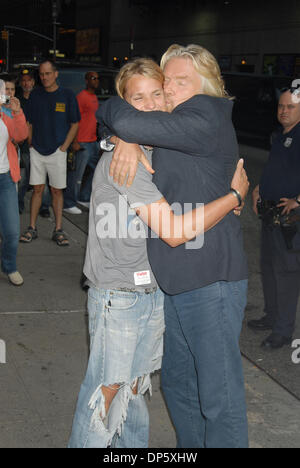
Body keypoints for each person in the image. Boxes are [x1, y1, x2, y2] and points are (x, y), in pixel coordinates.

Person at [69, 56, 249, 449]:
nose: (153, 102)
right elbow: (172, 231)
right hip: (121, 296)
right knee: (106, 397)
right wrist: (233, 196)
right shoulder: (130, 161)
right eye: (140, 97)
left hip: (156, 292)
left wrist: (124, 135)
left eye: (159, 92)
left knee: (135, 397)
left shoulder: (161, 145)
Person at [248, 88, 300, 349]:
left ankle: (282, 331)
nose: (283, 110)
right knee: (268, 268)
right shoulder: (281, 137)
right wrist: (260, 189)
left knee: (287, 274)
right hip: (271, 215)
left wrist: (298, 201)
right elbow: (276, 169)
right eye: (281, 105)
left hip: (292, 220)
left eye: (290, 106)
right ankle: (271, 316)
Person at [19, 60, 80, 246]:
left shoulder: (67, 95)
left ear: (55, 74)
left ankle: (58, 229)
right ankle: (32, 228)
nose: (44, 77)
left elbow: (75, 123)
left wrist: (64, 147)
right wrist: (30, 142)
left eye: (47, 73)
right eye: (42, 74)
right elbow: (29, 121)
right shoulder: (35, 95)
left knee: (56, 191)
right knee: (37, 190)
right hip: (36, 150)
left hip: (57, 152)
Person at [0, 79, 28, 286]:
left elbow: (20, 136)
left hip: (6, 178)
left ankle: (9, 266)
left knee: (12, 232)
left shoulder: (6, 114)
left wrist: (17, 112)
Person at [64, 71, 100, 214]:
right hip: (82, 142)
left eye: (97, 78)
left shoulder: (94, 97)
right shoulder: (81, 97)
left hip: (92, 142)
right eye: (93, 78)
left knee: (97, 170)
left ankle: (83, 197)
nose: (96, 81)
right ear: (86, 81)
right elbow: (74, 120)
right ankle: (68, 203)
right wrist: (75, 141)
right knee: (76, 175)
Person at [16, 69, 51, 216]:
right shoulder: (16, 100)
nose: (26, 83)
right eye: (24, 80)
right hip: (22, 146)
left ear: (33, 82)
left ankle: (44, 207)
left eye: (29, 80)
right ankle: (18, 205)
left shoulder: (40, 98)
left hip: (39, 146)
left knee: (42, 179)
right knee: (22, 179)